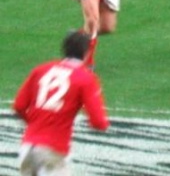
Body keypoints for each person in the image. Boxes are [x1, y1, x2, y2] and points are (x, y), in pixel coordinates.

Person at [13, 31, 109, 176]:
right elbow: (98, 122)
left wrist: (36, 123)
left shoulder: (41, 70)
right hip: (53, 150)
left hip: (27, 148)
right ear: (87, 52)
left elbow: (19, 106)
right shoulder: (85, 78)